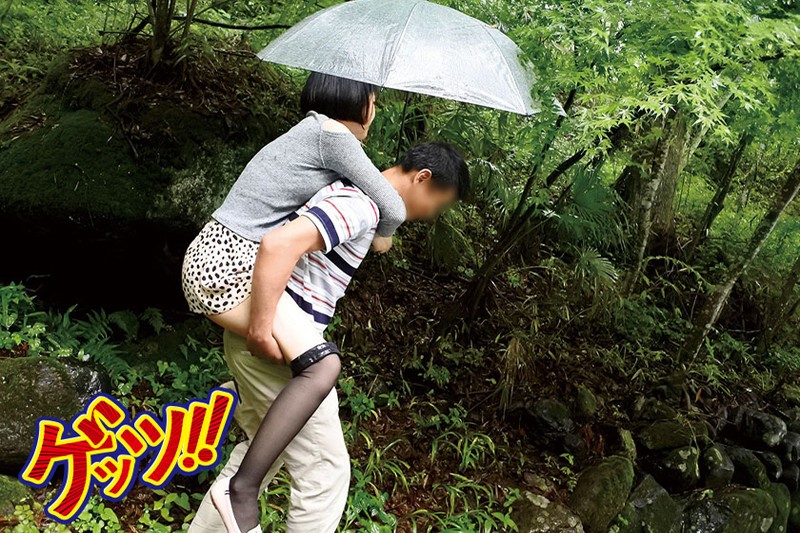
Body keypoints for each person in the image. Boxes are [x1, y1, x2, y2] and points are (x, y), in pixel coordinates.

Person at [185, 142, 469, 533]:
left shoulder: (356, 197)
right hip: (278, 345)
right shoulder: (359, 205)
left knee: (263, 453)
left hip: (268, 337)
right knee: (325, 472)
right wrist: (263, 329)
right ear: (423, 178)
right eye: (440, 202)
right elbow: (280, 244)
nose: (433, 213)